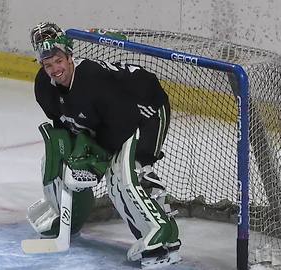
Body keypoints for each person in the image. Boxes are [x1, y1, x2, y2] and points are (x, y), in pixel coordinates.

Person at [26, 22, 181, 267]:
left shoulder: (94, 82)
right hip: (112, 118)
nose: (55, 69)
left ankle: (162, 234)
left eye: (59, 61)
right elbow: (65, 122)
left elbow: (122, 126)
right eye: (48, 64)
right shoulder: (44, 87)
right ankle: (69, 219)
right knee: (56, 161)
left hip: (145, 110)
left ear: (70, 57)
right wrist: (74, 153)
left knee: (123, 173)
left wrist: (96, 162)